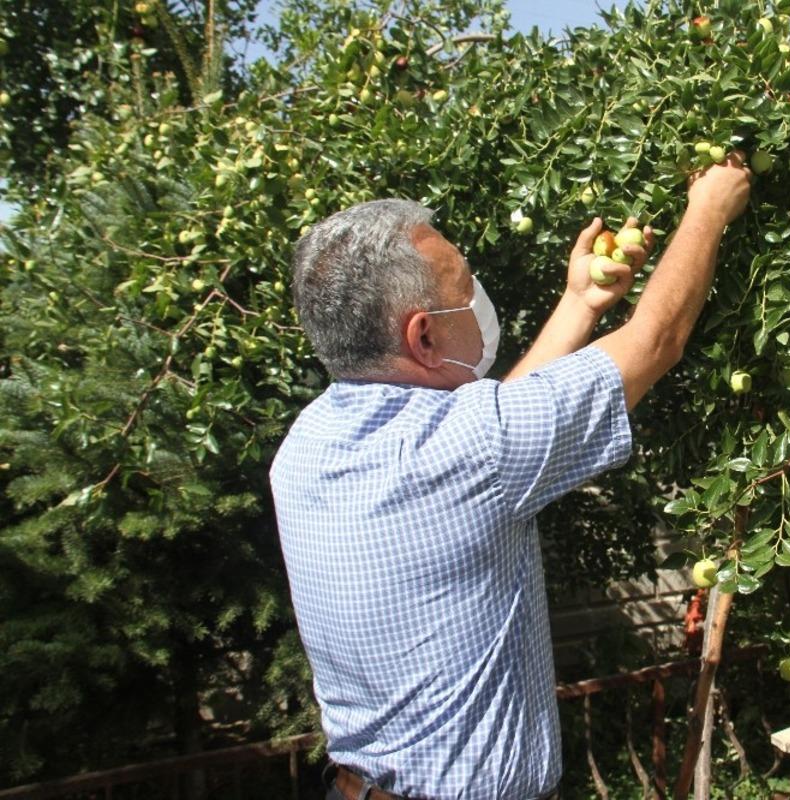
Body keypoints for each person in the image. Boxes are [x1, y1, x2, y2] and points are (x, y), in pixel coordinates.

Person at [270, 155, 751, 800]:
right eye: (464, 289)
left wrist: (581, 302)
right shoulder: (474, 449)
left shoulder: (307, 446)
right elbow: (656, 337)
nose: (478, 300)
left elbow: (491, 442)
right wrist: (710, 208)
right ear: (424, 337)